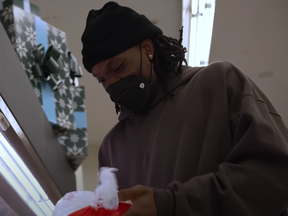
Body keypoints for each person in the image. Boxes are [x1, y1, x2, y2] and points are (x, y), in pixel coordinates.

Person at [81, 1, 288, 216]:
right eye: (102, 79)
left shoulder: (218, 84)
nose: (112, 84)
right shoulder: (112, 148)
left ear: (147, 49)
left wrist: (170, 205)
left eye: (118, 67)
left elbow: (275, 174)